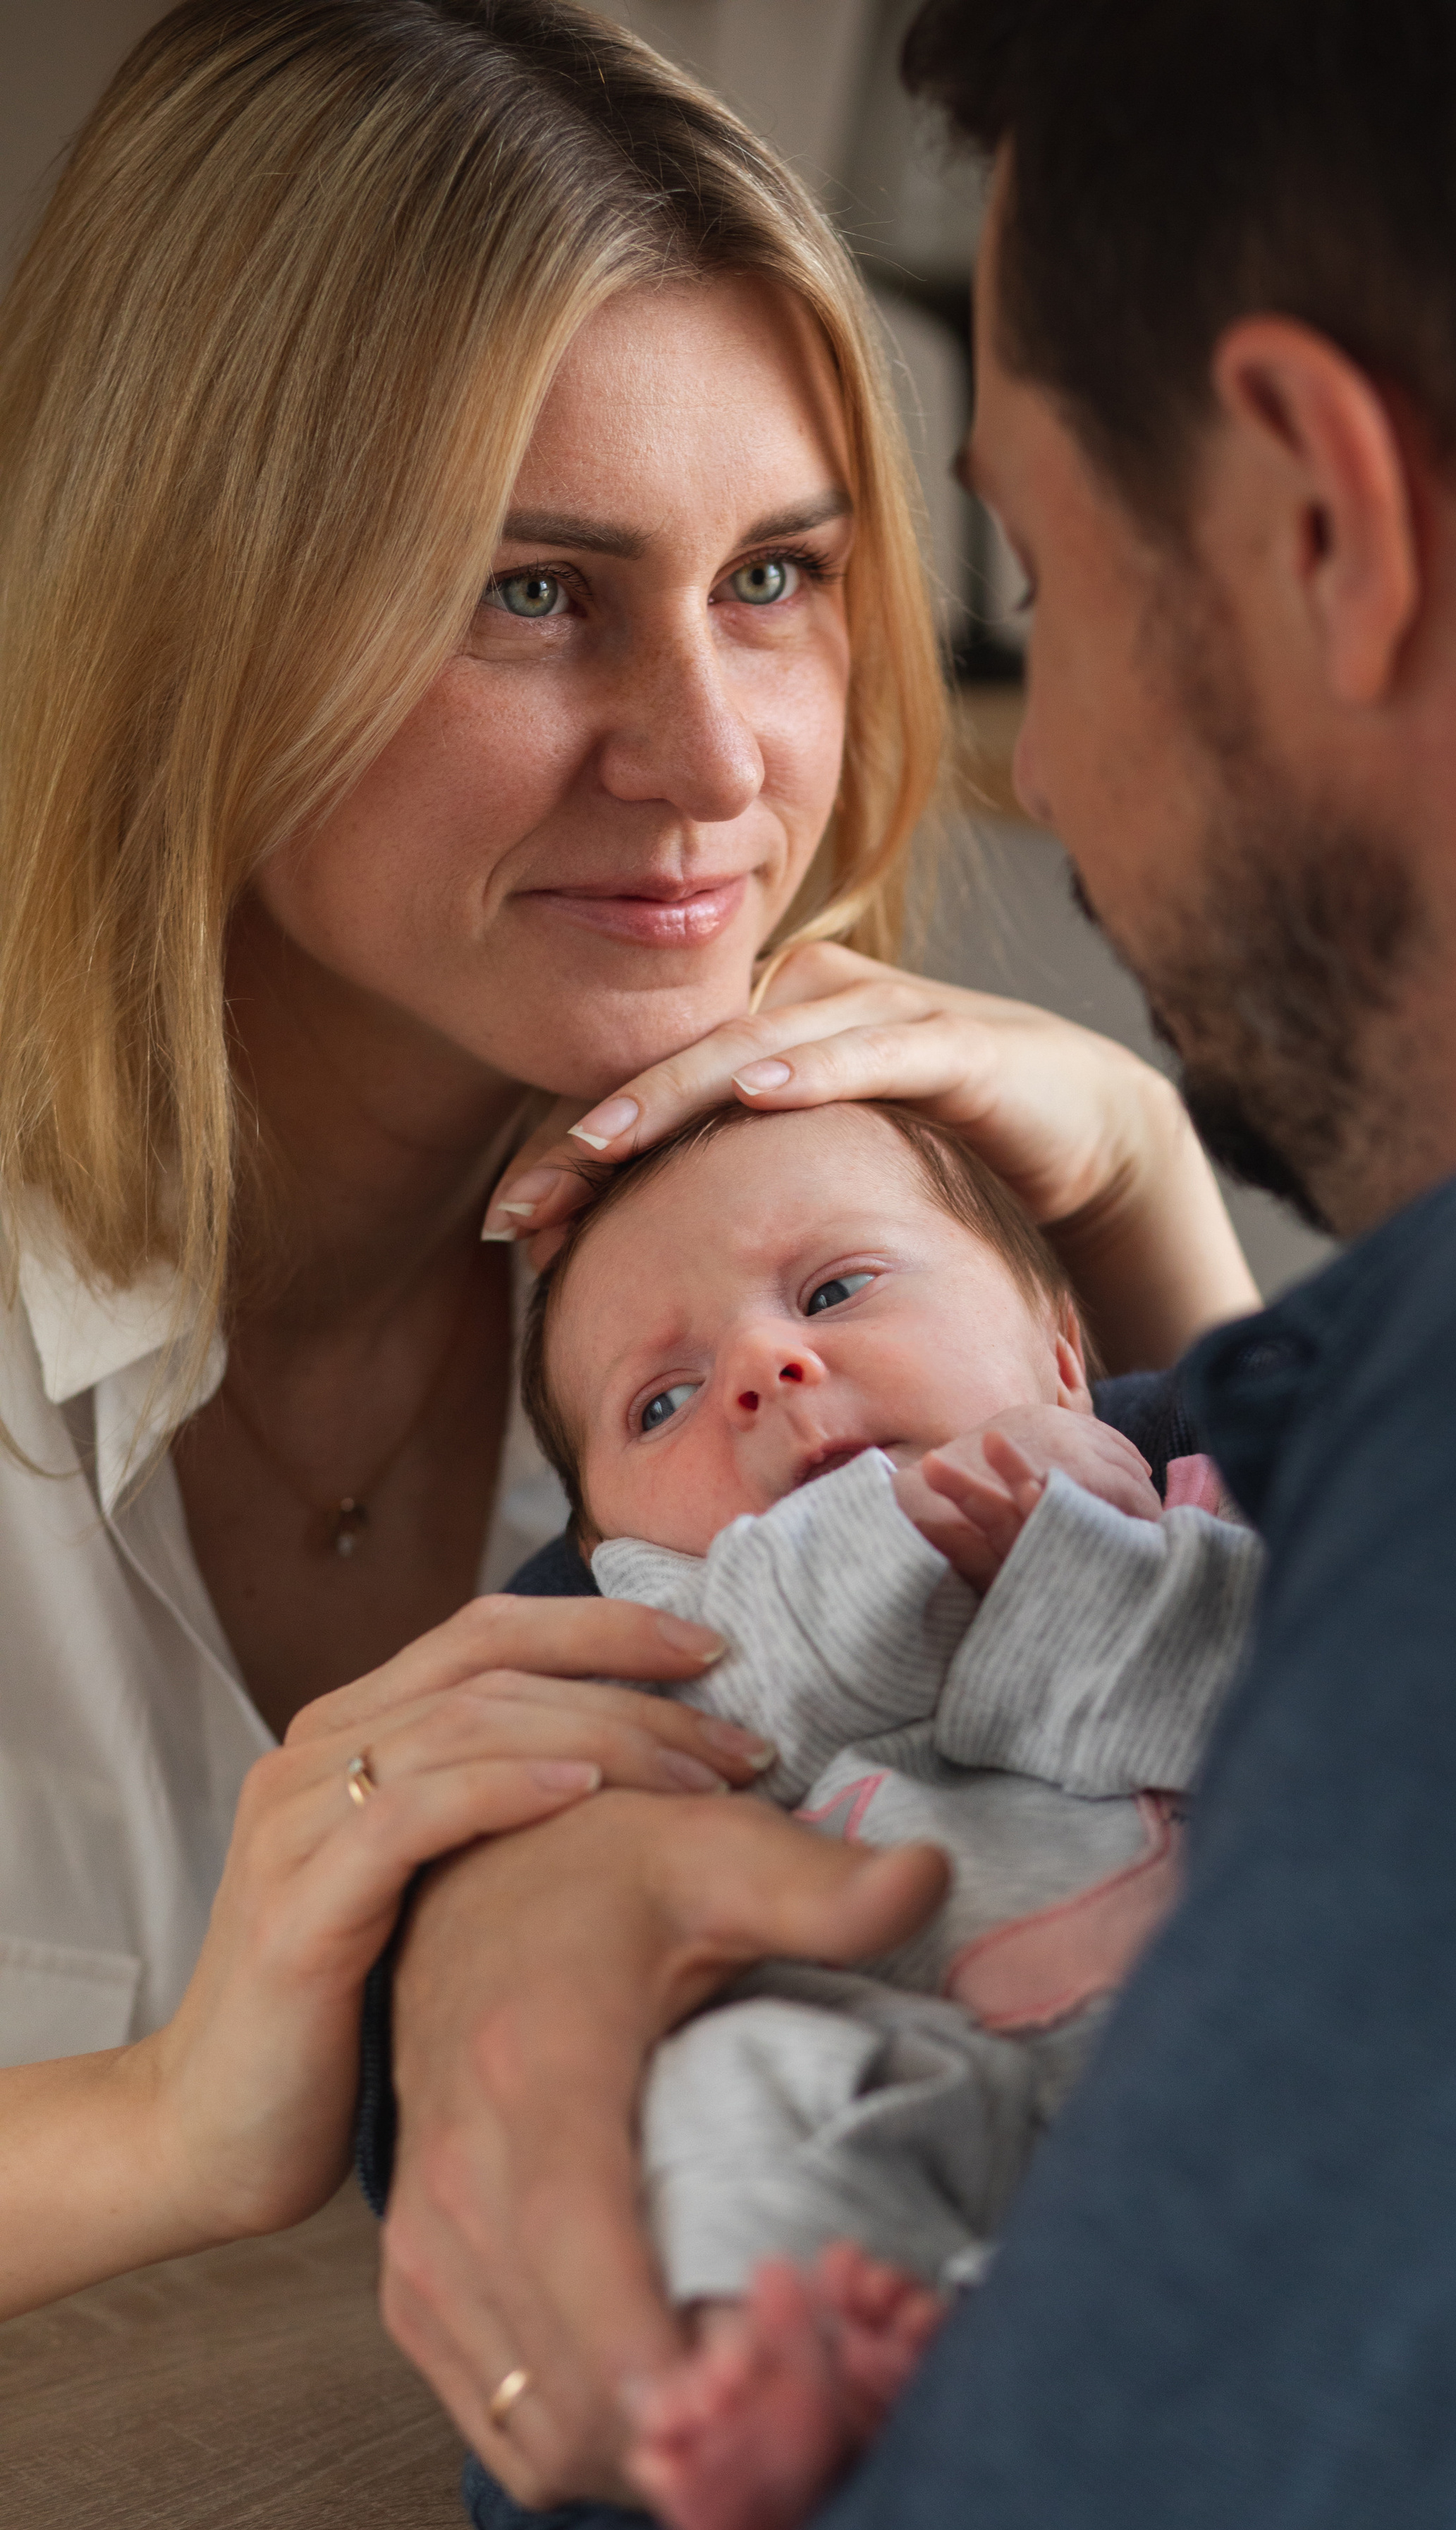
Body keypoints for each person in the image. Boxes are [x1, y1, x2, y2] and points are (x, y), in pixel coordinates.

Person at [386, 2, 1456, 2530]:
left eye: (1022, 574)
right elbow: (1020, 1504)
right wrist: (507, 1920)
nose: (1057, 798)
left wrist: (579, 2429)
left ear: (1313, 511)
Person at [0, 4, 1249, 2310]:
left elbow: (1301, 1781)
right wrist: (178, 2120)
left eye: (775, 575)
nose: (710, 765)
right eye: (532, 591)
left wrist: (1152, 1192)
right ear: (192, 622)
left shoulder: (814, 1253)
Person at [512, 1095, 1259, 2530]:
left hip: (1241, 2046)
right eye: (658, 1403)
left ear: (1060, 1356)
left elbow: (1262, 1716)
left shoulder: (1202, 1504)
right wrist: (891, 1538)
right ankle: (793, 2391)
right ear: (615, 1558)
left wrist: (1084, 1562)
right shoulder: (686, 1657)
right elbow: (765, 1685)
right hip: (921, 2089)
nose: (763, 1370)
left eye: (836, 1290)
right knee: (728, 2086)